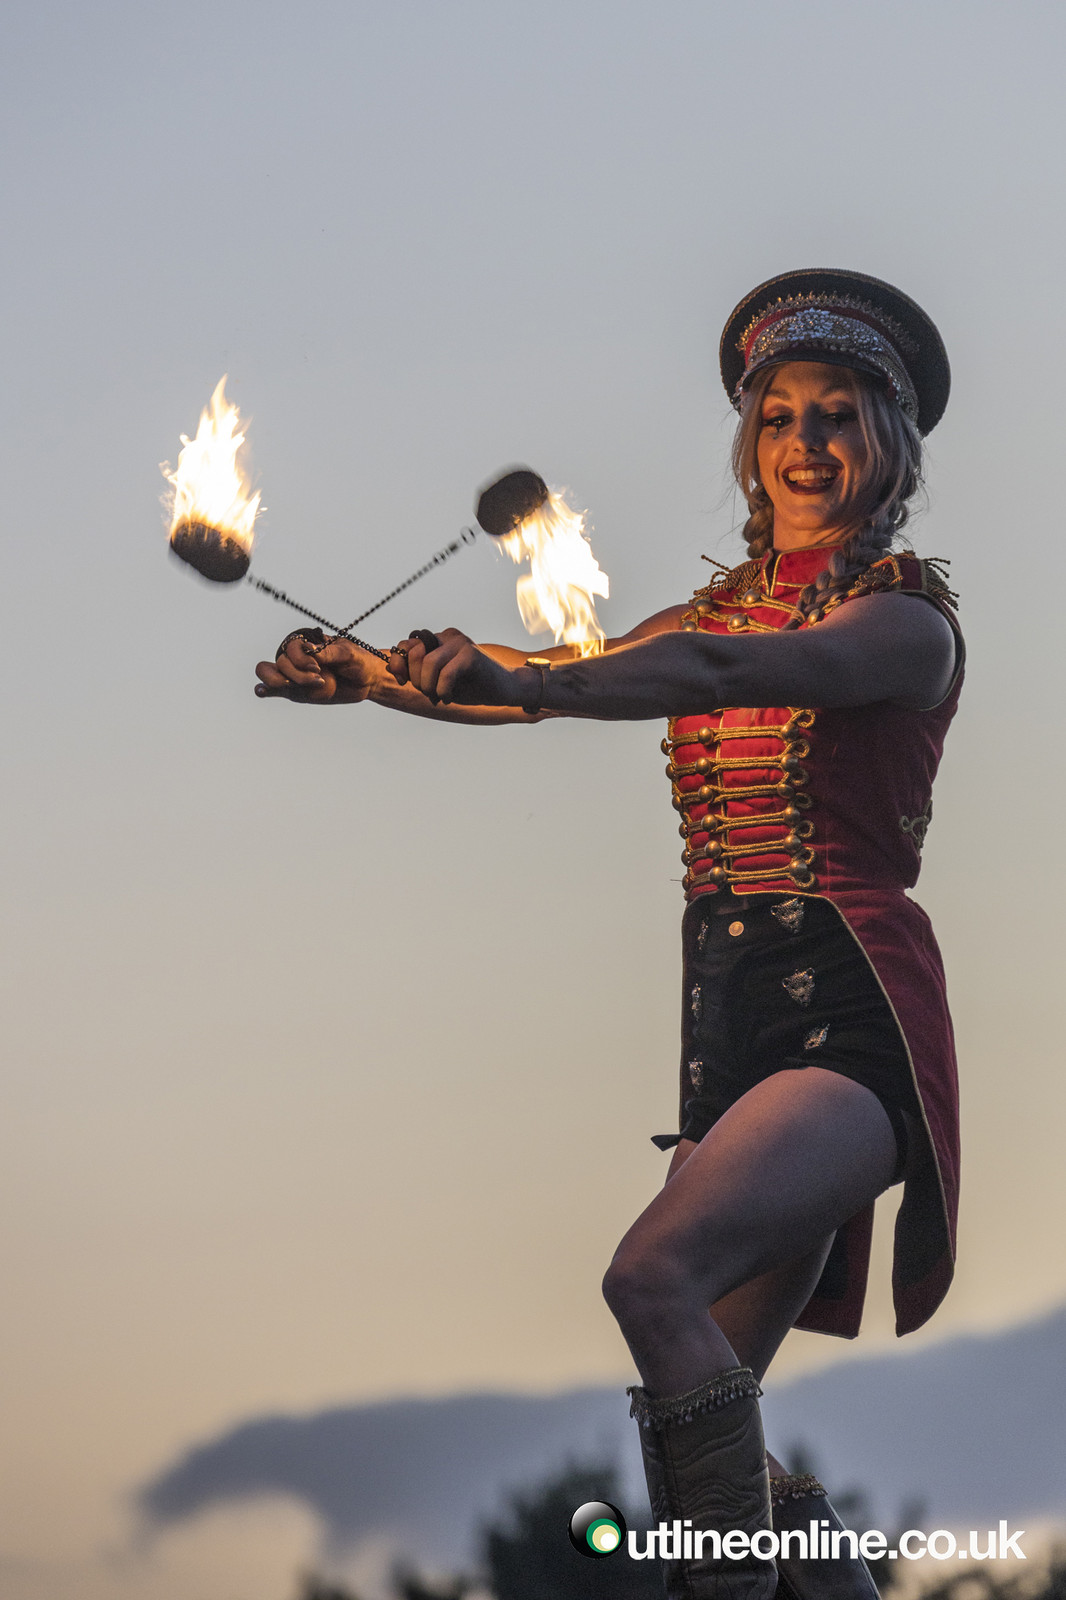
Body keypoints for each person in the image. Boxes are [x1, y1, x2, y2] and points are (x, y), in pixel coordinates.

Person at [255, 268, 962, 1600]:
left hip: (848, 1017)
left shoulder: (903, 625)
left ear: (889, 441)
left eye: (837, 414)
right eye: (779, 417)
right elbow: (544, 691)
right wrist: (373, 677)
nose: (805, 442)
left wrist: (531, 674)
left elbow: (709, 673)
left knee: (651, 1281)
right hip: (728, 1024)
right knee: (703, 1391)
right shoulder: (705, 618)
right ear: (749, 443)